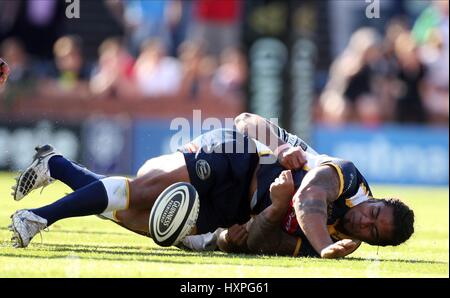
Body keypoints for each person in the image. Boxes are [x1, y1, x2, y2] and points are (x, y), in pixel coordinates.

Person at [9, 113, 414, 258]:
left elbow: (260, 244)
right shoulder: (345, 177)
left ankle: (55, 163)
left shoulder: (340, 243)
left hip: (234, 209)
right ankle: (36, 219)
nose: (365, 221)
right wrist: (279, 146)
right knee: (138, 193)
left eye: (373, 232)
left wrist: (270, 213)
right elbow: (246, 121)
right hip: (233, 156)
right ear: (372, 199)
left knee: (136, 215)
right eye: (374, 212)